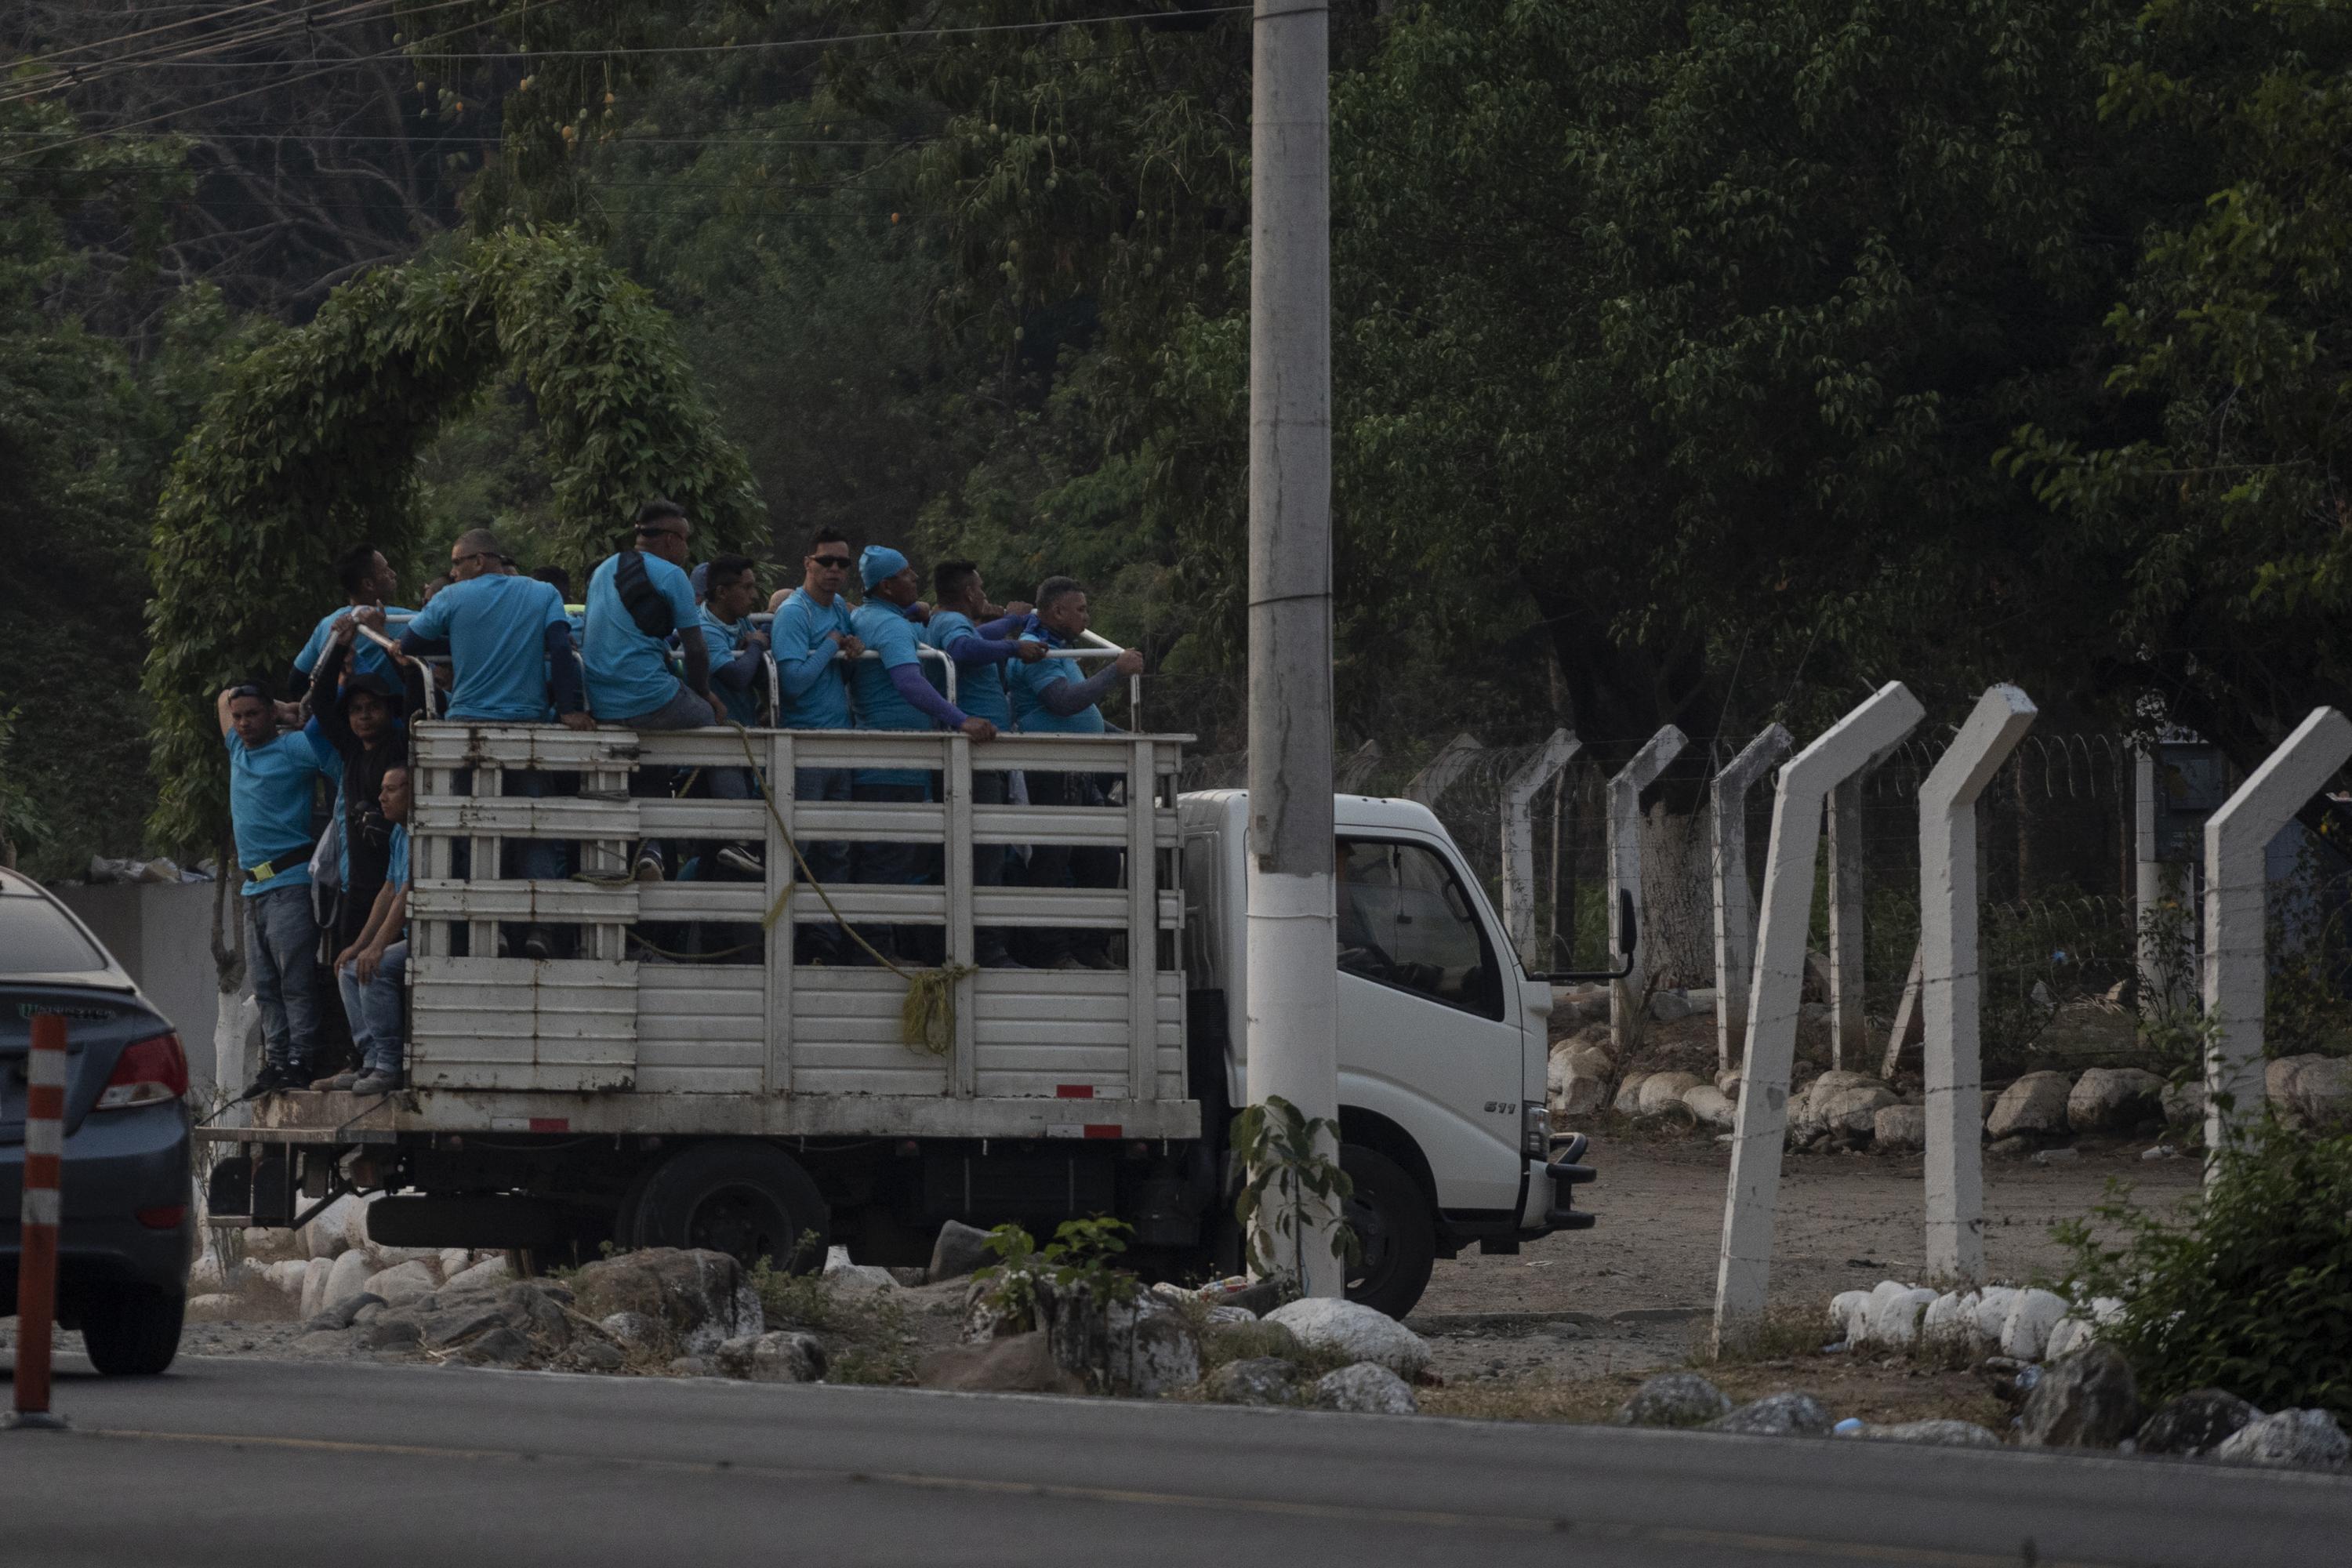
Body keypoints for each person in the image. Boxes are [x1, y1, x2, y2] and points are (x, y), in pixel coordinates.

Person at [399, 527, 585, 958]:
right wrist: (572, 709)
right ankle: (539, 930)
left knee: (473, 829)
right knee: (534, 829)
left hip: (468, 730)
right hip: (528, 729)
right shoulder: (542, 593)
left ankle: (488, 928)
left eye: (457, 563)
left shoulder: (450, 598)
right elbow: (560, 647)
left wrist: (461, 642)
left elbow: (407, 643)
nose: (453, 571)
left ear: (479, 561)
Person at [849, 546, 996, 962]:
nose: (917, 580)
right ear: (887, 584)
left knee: (890, 860)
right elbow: (909, 683)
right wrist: (960, 719)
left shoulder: (869, 616)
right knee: (888, 862)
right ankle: (875, 953)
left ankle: (884, 947)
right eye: (908, 574)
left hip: (885, 760)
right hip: (894, 761)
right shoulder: (891, 628)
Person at [1007, 575, 1146, 969]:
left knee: (1102, 860)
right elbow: (1063, 702)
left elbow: (1088, 720)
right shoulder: (1037, 653)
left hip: (1081, 769)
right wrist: (1115, 672)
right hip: (1050, 769)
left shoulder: (1061, 650)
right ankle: (1052, 950)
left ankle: (1089, 946)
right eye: (1081, 609)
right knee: (1052, 862)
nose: (1087, 616)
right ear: (1057, 612)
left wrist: (1130, 741)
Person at [583, 499, 719, 881]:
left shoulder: (603, 570)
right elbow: (696, 648)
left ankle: (651, 850)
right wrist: (704, 693)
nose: (688, 549)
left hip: (604, 703)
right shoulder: (673, 575)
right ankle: (732, 833)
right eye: (687, 540)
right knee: (711, 722)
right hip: (649, 696)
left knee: (652, 760)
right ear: (673, 540)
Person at [303, 611, 415, 1079]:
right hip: (360, 887)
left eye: (373, 707)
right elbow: (321, 703)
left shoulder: (404, 747)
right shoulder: (349, 752)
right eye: (357, 709)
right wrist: (336, 643)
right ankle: (364, 1060)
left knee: (386, 974)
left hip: (398, 879)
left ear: (388, 711)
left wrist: (395, 651)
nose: (364, 716)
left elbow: (418, 697)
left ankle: (393, 1064)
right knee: (350, 969)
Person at [218, 683, 338, 1094]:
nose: (243, 723)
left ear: (269, 716)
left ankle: (301, 1059)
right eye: (238, 716)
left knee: (295, 980)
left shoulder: (295, 749)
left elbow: (334, 758)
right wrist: (285, 707)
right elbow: (224, 695)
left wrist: (289, 717)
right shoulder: (237, 748)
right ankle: (276, 1060)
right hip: (253, 890)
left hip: (289, 882)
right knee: (266, 985)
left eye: (253, 714)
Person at [923, 561, 1043, 967]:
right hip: (977, 757)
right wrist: (1014, 644)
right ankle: (987, 949)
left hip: (986, 755)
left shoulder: (947, 621)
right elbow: (963, 648)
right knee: (986, 856)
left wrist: (1011, 621)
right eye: (981, 588)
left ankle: (987, 945)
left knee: (991, 854)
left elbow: (975, 636)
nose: (985, 595)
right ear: (970, 593)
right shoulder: (952, 625)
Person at [769, 532, 864, 961]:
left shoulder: (841, 609)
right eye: (826, 562)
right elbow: (794, 683)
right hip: (803, 746)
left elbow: (835, 675)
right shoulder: (794, 614)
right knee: (798, 851)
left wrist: (853, 653)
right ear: (808, 562)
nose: (835, 571)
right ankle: (782, 942)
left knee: (837, 851)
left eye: (843, 564)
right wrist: (830, 646)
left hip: (840, 744)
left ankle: (825, 944)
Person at [328, 765, 413, 1094]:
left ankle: (389, 1065)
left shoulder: (422, 830)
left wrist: (377, 947)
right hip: (406, 939)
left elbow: (407, 893)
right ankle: (371, 1058)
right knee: (349, 968)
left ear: (413, 791)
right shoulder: (398, 833)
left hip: (431, 942)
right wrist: (359, 944)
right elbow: (388, 891)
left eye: (391, 789)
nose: (381, 797)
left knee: (374, 969)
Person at [699, 551, 769, 877]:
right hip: (714, 749)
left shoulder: (740, 622)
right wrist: (755, 647)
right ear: (721, 592)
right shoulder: (706, 630)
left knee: (725, 856)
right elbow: (738, 677)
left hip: (743, 743)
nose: (754, 595)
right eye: (747, 587)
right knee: (729, 849)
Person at [292, 543, 407, 692]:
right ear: (368, 584)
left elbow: (296, 681)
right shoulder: (402, 619)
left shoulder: (327, 624)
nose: (393, 574)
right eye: (386, 571)